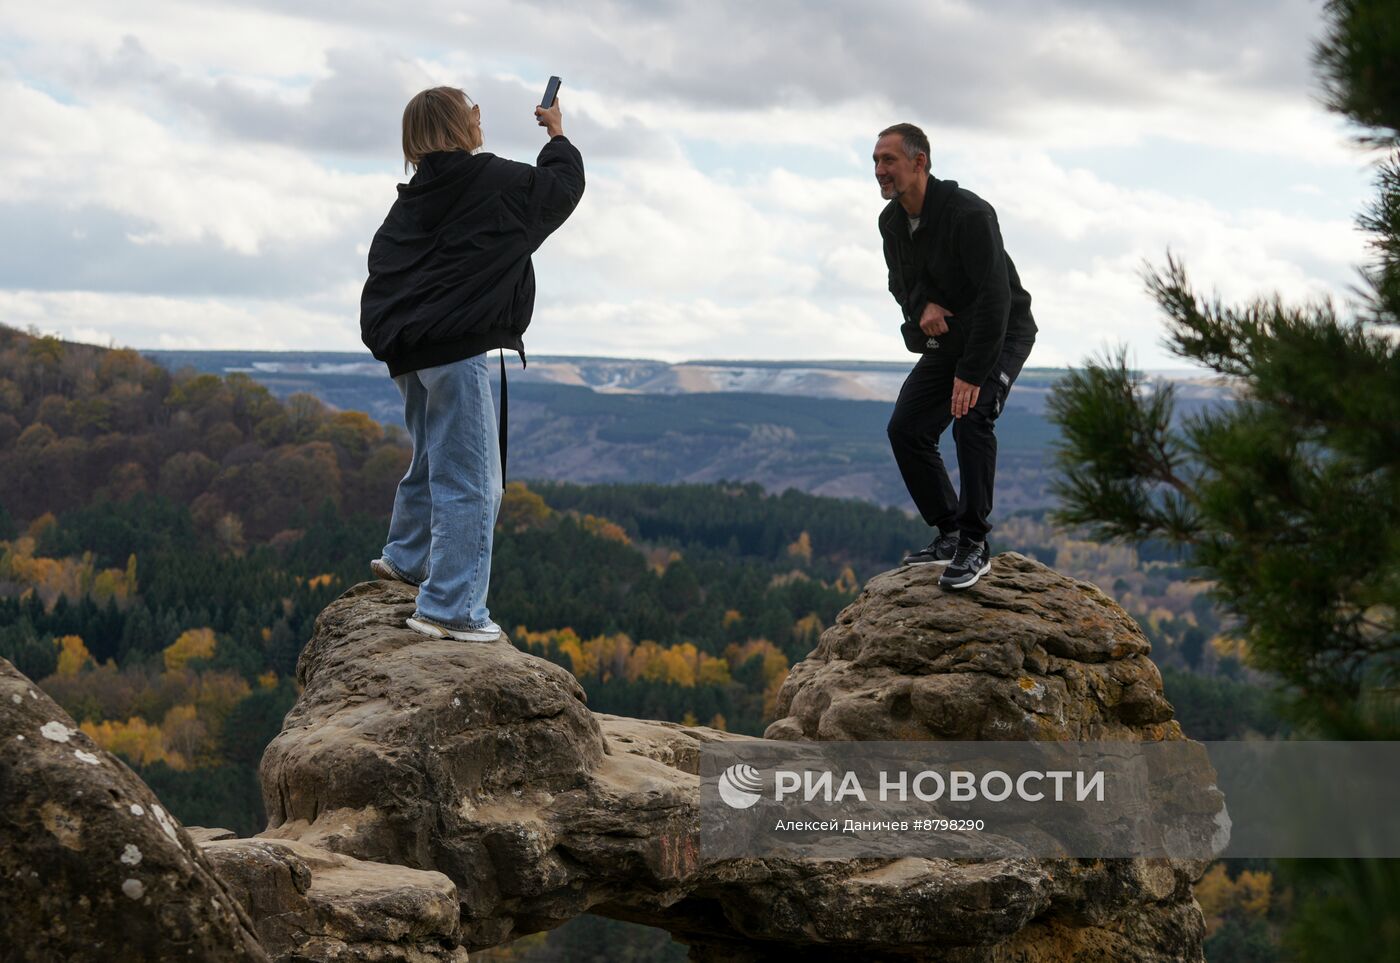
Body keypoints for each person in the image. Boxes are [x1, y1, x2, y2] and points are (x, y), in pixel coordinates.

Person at [359, 86, 584, 640]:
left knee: (434, 458)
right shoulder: (489, 180)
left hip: (408, 355)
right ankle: (452, 609)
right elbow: (558, 191)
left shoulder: (411, 199)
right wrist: (557, 134)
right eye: (474, 116)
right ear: (468, 125)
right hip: (455, 352)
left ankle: (407, 560)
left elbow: (385, 267)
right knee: (476, 482)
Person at [876, 123, 1036, 590]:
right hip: (950, 338)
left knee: (973, 415)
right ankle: (948, 531)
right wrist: (920, 305)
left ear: (919, 161)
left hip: (1001, 332)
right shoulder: (891, 221)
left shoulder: (969, 214)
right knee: (906, 429)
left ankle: (973, 544)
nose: (880, 171)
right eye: (876, 162)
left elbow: (995, 299)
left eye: (889, 160)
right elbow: (899, 282)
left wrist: (972, 373)